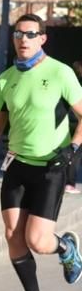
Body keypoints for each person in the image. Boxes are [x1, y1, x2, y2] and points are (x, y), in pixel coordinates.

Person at [0, 14, 82, 291]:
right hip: (16, 165)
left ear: (42, 38)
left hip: (51, 167)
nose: (23, 40)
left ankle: (65, 247)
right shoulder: (5, 78)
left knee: (38, 241)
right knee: (13, 235)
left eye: (30, 34)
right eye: (18, 34)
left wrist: (73, 149)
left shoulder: (60, 73)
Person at [66, 60, 82, 194]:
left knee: (75, 154)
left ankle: (69, 183)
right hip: (77, 122)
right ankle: (69, 183)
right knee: (75, 154)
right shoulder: (77, 83)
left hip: (76, 121)